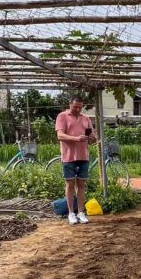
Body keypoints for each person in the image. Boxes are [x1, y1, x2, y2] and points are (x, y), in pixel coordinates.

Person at [55, 96, 97, 225]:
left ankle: (80, 212)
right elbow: (60, 135)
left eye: (80, 107)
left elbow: (93, 136)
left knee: (81, 184)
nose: (78, 109)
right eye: (75, 107)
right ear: (70, 105)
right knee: (70, 184)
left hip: (83, 156)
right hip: (69, 156)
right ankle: (71, 213)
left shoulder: (86, 119)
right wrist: (76, 138)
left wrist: (92, 138)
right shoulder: (62, 116)